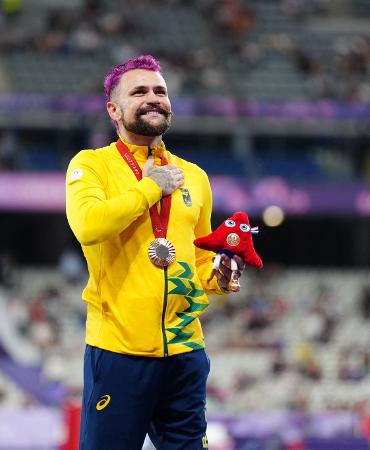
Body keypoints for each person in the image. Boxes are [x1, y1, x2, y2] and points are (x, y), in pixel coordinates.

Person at [66, 54, 244, 450]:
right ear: (114, 108)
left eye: (160, 91)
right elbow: (88, 225)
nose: (153, 98)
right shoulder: (92, 166)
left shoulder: (195, 176)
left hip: (185, 352)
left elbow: (197, 259)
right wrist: (150, 188)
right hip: (119, 353)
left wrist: (221, 272)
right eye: (139, 91)